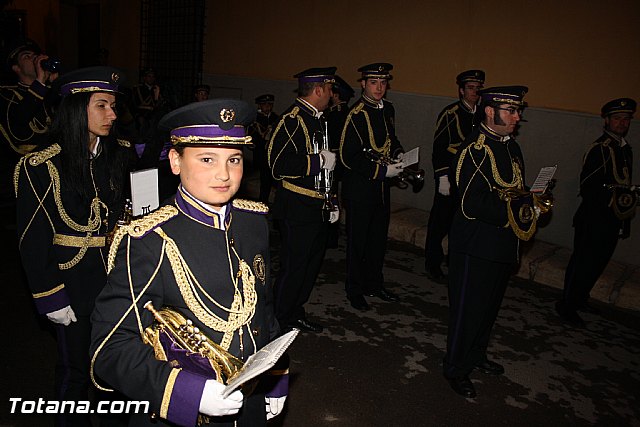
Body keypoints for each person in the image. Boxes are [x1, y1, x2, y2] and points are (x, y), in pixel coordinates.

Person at [90, 99, 289, 426]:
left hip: (250, 399)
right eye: (207, 159)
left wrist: (276, 376)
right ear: (175, 161)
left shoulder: (253, 222)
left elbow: (262, 310)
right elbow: (110, 348)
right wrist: (186, 392)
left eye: (234, 159)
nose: (224, 174)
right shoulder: (150, 241)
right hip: (183, 411)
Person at [15, 66, 136, 426]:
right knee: (75, 370)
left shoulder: (120, 154)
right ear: (75, 108)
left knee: (113, 366)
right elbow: (31, 240)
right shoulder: (42, 165)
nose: (112, 115)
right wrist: (49, 295)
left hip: (116, 282)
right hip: (71, 282)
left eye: (113, 105)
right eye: (102, 105)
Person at [444, 85, 551, 398]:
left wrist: (532, 198)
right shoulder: (475, 149)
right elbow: (471, 203)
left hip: (502, 244)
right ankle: (455, 367)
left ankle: (476, 355)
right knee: (467, 311)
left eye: (518, 111)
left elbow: (512, 189)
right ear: (490, 112)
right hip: (476, 247)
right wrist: (517, 209)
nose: (517, 117)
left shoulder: (511, 147)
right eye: (511, 111)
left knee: (488, 308)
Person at [268, 67, 340, 333]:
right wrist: (317, 161)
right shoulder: (293, 119)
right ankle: (278, 319)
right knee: (294, 267)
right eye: (330, 89)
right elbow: (276, 163)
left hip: (317, 206)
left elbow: (327, 172)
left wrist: (331, 199)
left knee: (310, 267)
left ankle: (294, 311)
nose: (332, 95)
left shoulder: (319, 119)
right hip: (297, 207)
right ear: (318, 89)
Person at [557, 98, 636, 327]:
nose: (622, 123)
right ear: (607, 120)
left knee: (598, 262)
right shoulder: (600, 149)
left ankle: (581, 298)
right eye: (617, 118)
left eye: (626, 119)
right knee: (582, 262)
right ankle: (567, 304)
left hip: (612, 218)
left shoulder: (624, 148)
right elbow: (589, 186)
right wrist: (614, 199)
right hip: (594, 218)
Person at [339, 62, 405, 311]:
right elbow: (348, 156)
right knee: (358, 242)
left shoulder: (388, 109)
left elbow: (391, 139)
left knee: (378, 240)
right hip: (360, 189)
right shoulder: (355, 114)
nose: (379, 88)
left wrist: (398, 154)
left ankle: (374, 284)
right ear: (363, 84)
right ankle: (354, 289)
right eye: (374, 83)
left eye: (383, 83)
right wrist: (381, 170)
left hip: (381, 189)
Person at [424, 69, 485, 284]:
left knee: (461, 223)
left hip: (471, 179)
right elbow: (439, 148)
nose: (475, 91)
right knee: (440, 221)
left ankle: (455, 260)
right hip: (449, 177)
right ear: (461, 90)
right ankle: (432, 262)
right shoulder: (450, 114)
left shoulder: (483, 114)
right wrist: (442, 177)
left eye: (478, 88)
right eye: (470, 88)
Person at [0, 38, 58, 211]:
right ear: (16, 68)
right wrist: (40, 83)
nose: (34, 60)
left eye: (36, 56)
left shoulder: (48, 94)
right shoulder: (6, 95)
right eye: (27, 57)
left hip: (52, 172)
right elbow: (18, 128)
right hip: (21, 178)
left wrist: (55, 86)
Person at [324, 74, 355, 248]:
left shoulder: (333, 115)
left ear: (335, 96)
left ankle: (330, 236)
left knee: (331, 197)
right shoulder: (350, 113)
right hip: (346, 165)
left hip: (333, 163)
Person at [248, 94, 280, 203]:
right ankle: (261, 202)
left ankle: (270, 203)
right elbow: (250, 137)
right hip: (260, 154)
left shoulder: (276, 118)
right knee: (261, 180)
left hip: (273, 155)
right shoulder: (255, 118)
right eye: (265, 105)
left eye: (270, 104)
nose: (267, 107)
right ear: (260, 106)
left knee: (272, 181)